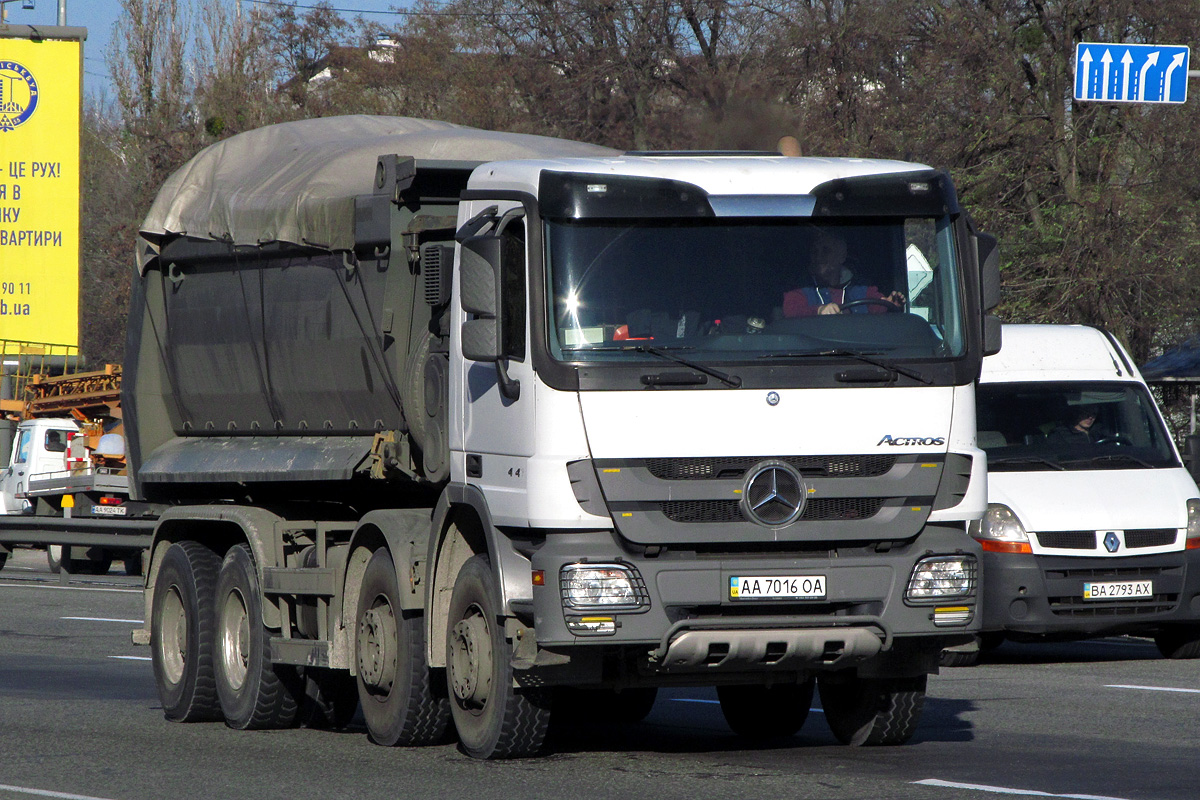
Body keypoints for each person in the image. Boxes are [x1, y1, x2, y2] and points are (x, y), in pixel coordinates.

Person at [783, 229, 905, 317]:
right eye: (815, 252)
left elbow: (878, 307)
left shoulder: (861, 287)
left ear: (841, 257)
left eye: (825, 251)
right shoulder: (801, 287)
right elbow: (790, 311)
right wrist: (819, 311)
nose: (818, 257)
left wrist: (890, 304)